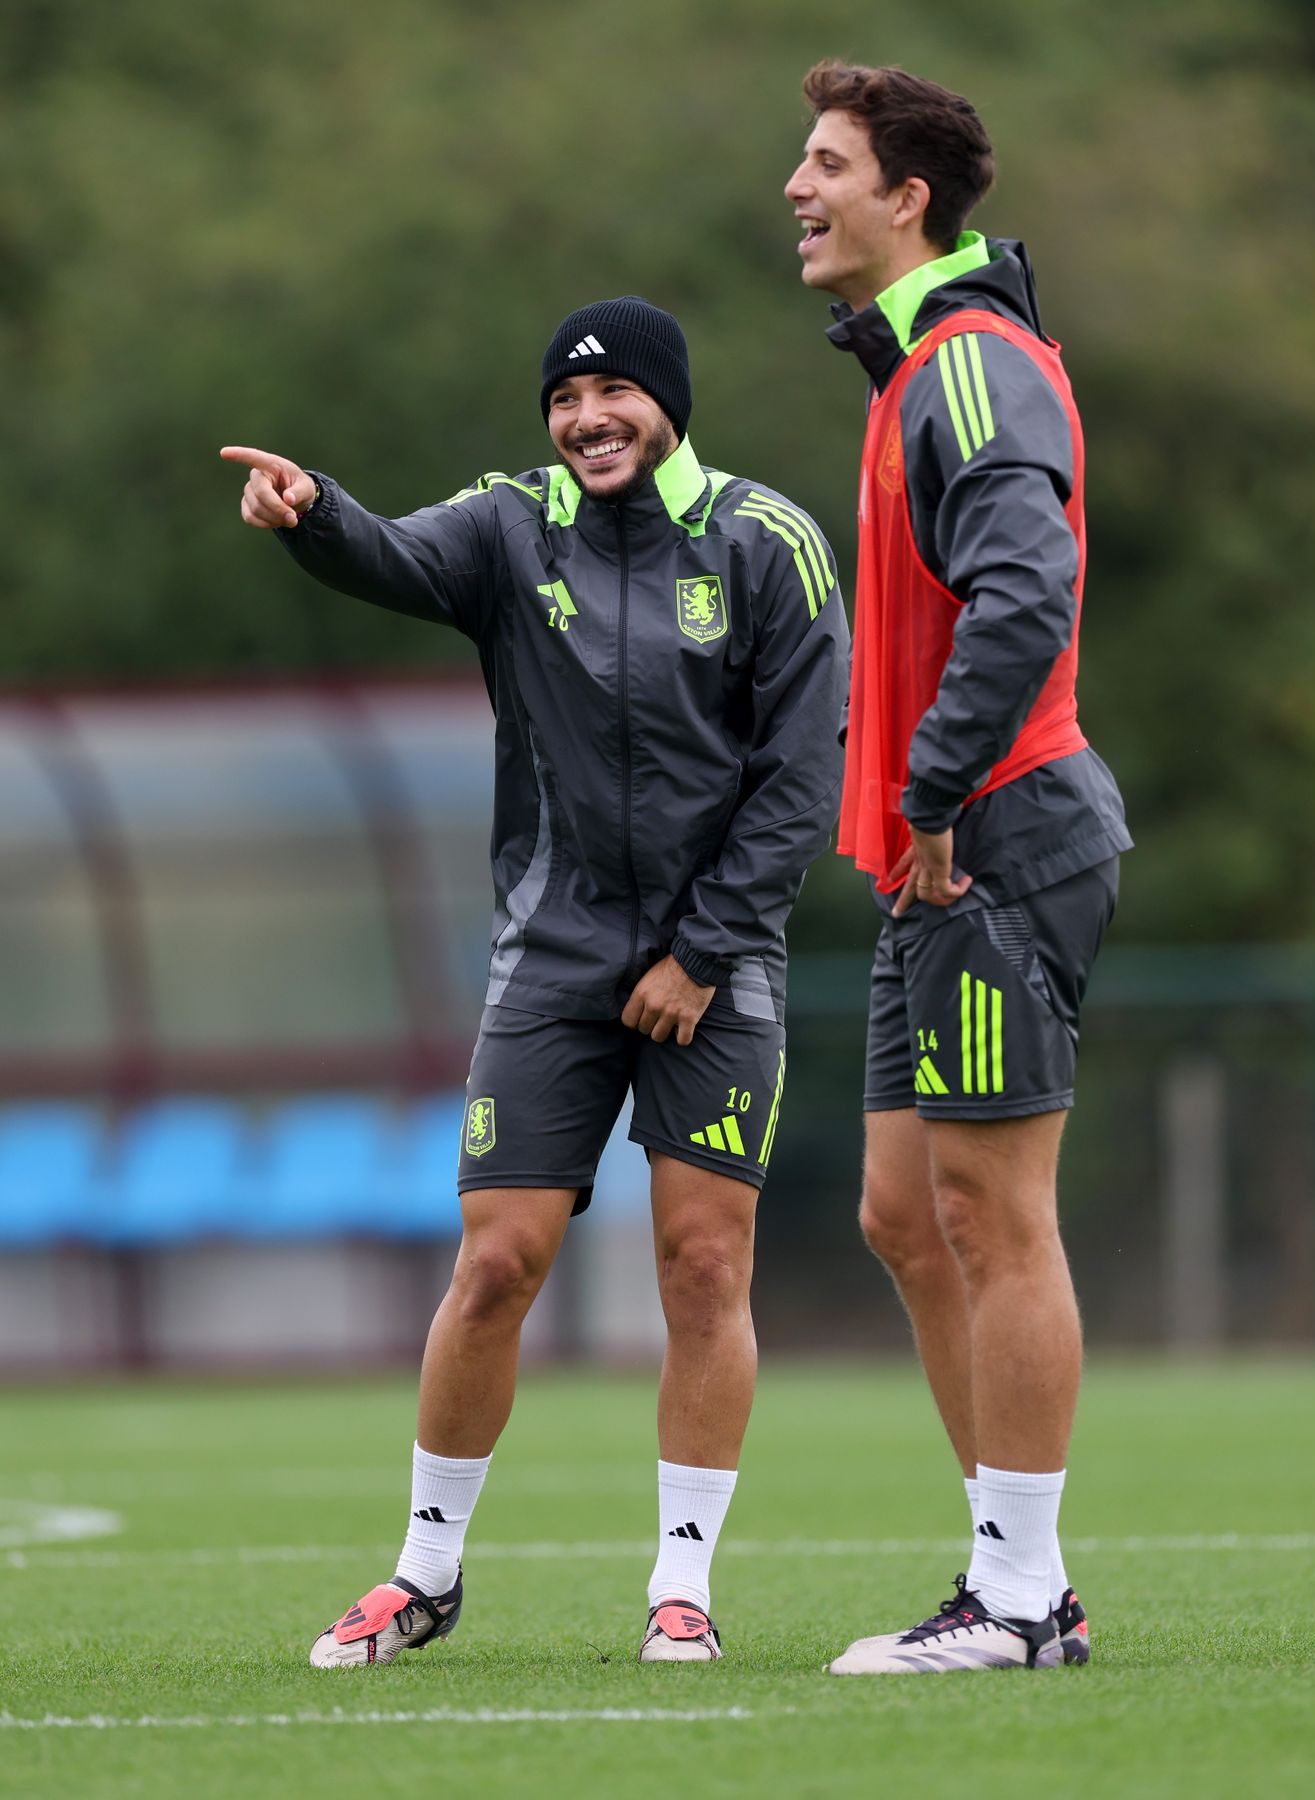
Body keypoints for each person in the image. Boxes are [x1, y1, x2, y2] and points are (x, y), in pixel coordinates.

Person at [221, 296, 849, 1667]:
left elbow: (804, 781)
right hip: (553, 958)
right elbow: (392, 555)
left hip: (718, 967)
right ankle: (424, 1575)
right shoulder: (511, 524)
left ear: (669, 402)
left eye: (614, 393)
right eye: (565, 402)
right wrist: (315, 508)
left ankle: (680, 1590)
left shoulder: (767, 542)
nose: (586, 420)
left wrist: (701, 950)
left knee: (701, 1264)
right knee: (498, 1262)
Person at [785, 63, 1132, 1673]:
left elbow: (1027, 582)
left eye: (829, 162)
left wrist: (930, 797)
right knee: (906, 1216)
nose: (799, 187)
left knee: (994, 1215)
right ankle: (1015, 1575)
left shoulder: (975, 364)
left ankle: (1015, 1598)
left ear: (907, 197)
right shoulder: (912, 367)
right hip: (942, 846)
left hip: (992, 835)